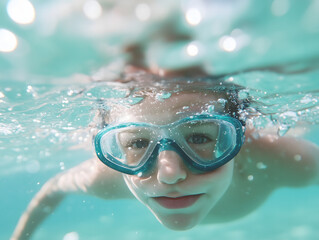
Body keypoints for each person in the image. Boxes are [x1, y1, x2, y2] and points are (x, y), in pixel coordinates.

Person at [11, 67, 319, 240]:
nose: (169, 173)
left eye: (199, 137)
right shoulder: (107, 178)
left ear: (239, 136)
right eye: (138, 143)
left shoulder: (283, 161)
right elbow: (51, 191)